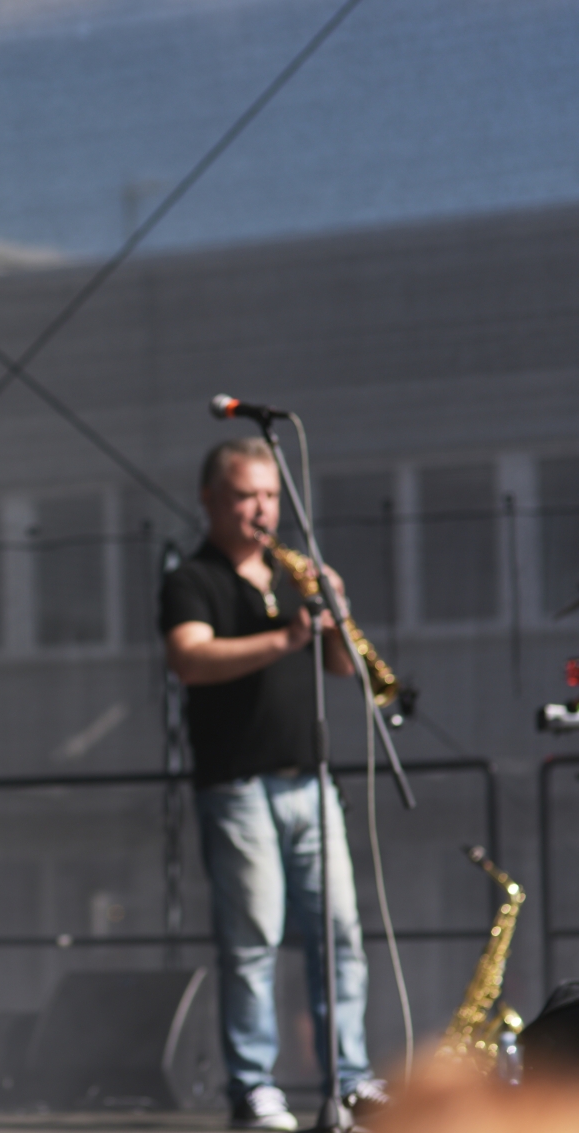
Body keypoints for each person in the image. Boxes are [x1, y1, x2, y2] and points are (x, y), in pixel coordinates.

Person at [160, 437, 386, 1130]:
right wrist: (288, 636)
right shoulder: (193, 579)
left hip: (309, 780)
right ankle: (253, 1086)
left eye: (269, 495)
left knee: (340, 934)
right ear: (211, 500)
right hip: (237, 785)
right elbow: (190, 659)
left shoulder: (294, 579)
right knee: (252, 940)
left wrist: (333, 611)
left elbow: (341, 669)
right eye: (244, 495)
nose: (261, 509)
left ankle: (350, 1078)